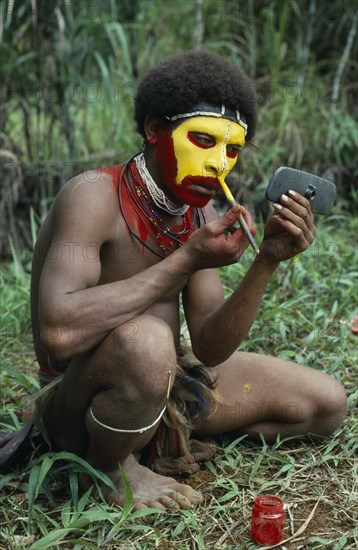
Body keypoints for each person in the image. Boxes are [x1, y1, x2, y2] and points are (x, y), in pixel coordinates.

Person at [30, 51, 347, 510]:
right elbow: (59, 334)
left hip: (163, 382)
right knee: (148, 342)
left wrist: (267, 261)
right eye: (203, 140)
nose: (220, 164)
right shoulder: (93, 195)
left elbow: (210, 348)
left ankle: (158, 432)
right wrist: (185, 260)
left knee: (324, 403)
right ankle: (108, 466)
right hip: (76, 404)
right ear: (155, 130)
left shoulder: (199, 212)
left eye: (232, 150)